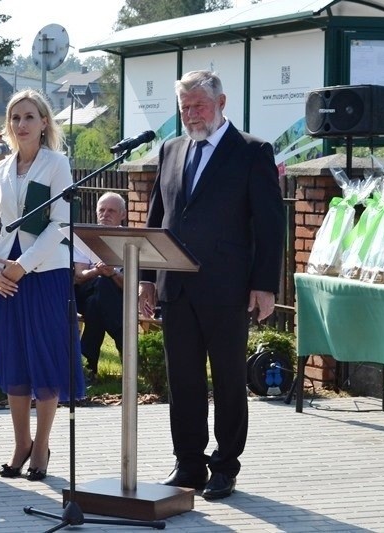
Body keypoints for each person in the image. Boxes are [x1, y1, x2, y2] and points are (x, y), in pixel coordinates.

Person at [138, 70, 285, 500]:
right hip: (176, 287)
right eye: (185, 107)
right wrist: (147, 276)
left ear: (222, 103)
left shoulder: (251, 152)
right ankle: (188, 463)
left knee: (226, 380)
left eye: (199, 105)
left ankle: (224, 466)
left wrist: (264, 285)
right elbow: (157, 216)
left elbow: (271, 224)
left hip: (227, 287)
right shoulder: (171, 148)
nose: (191, 115)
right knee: (182, 379)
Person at [0, 89, 84, 482]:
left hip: (44, 277)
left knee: (45, 361)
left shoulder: (57, 165)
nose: (21, 125)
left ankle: (41, 446)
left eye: (28, 117)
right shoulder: (0, 170)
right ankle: (20, 442)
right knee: (13, 363)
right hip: (2, 279)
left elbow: (59, 225)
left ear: (44, 123)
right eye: (15, 118)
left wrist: (22, 266)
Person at [73, 192, 127, 380]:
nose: (105, 214)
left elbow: (131, 286)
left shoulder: (130, 241)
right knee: (101, 285)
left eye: (111, 211)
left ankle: (89, 366)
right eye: (101, 210)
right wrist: (98, 271)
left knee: (97, 303)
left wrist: (112, 272)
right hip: (85, 291)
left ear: (123, 214)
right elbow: (79, 276)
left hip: (115, 296)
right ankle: (124, 343)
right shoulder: (85, 238)